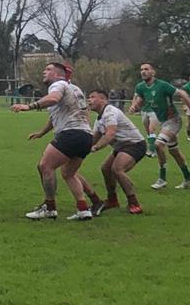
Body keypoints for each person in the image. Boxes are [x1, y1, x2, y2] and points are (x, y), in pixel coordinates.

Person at [14, 61, 95, 222]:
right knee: (68, 173)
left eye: (48, 69)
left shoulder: (58, 85)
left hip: (70, 133)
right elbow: (59, 115)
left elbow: (54, 98)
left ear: (58, 75)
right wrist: (41, 133)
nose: (44, 72)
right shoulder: (75, 89)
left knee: (45, 166)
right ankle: (83, 209)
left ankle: (49, 208)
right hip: (86, 136)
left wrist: (29, 106)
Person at [129, 63, 190, 190]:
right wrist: (135, 107)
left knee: (158, 145)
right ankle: (188, 178)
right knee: (174, 152)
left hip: (173, 121)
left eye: (146, 69)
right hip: (163, 122)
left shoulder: (162, 85)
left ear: (153, 72)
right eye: (141, 70)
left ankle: (162, 179)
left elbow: (183, 94)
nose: (143, 72)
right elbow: (141, 101)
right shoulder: (141, 87)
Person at [85, 88, 147, 215]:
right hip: (121, 147)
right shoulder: (99, 118)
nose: (89, 100)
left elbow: (110, 135)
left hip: (135, 145)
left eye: (92, 97)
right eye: (89, 97)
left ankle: (134, 203)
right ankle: (112, 200)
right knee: (105, 168)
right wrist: (78, 151)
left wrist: (96, 148)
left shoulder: (110, 112)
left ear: (103, 99)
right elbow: (94, 138)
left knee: (117, 169)